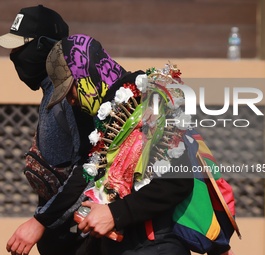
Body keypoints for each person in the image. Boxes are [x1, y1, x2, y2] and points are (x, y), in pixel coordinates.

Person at [45, 34, 197, 255]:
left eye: (71, 90)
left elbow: (177, 181)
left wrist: (115, 214)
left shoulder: (144, 100)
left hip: (156, 246)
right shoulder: (107, 118)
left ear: (87, 75)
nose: (71, 101)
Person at [0, 6, 95, 255]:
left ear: (44, 47)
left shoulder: (71, 96)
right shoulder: (50, 92)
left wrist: (41, 221)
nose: (14, 56)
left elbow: (90, 165)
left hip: (85, 239)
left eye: (20, 47)